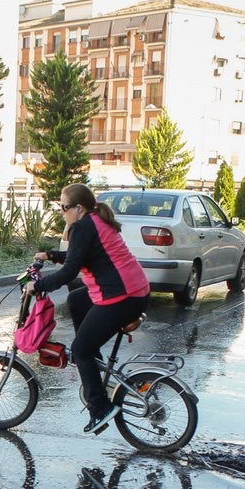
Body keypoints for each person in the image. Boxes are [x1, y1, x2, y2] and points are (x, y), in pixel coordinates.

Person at [27, 184, 151, 434]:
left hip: (122, 296)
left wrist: (40, 285)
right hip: (131, 291)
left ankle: (100, 408)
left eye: (64, 207)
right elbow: (80, 256)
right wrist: (50, 255)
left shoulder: (83, 226)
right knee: (76, 300)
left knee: (80, 350)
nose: (61, 212)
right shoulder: (93, 221)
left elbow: (70, 271)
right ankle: (95, 366)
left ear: (78, 208)